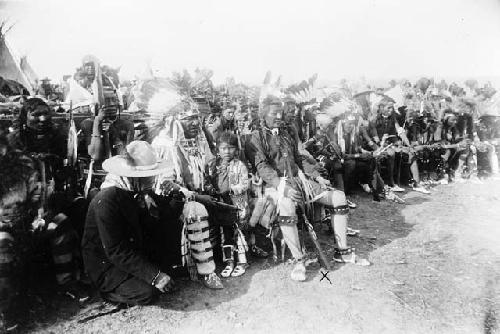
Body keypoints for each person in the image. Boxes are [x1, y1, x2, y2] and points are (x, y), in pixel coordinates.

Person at [247, 96, 353, 282]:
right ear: (264, 115)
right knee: (287, 205)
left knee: (338, 196)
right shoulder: (256, 137)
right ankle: (299, 260)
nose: (279, 116)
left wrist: (316, 176)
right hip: (275, 186)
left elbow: (299, 158)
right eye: (274, 113)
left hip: (301, 180)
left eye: (280, 112)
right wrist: (283, 188)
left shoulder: (289, 131)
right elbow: (262, 167)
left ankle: (342, 251)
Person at [81, 141, 176, 305]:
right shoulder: (106, 200)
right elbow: (115, 250)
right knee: (147, 293)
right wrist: (155, 276)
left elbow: (159, 220)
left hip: (128, 253)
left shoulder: (137, 191)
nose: (151, 180)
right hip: (106, 264)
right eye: (147, 177)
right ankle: (108, 293)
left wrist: (174, 198)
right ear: (131, 176)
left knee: (164, 270)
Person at [151, 90, 224, 289]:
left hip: (200, 193)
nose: (195, 123)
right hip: (173, 201)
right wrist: (193, 195)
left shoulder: (200, 139)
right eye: (188, 119)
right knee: (196, 211)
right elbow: (164, 184)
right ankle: (207, 270)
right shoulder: (164, 144)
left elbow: (208, 167)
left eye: (196, 118)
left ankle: (230, 255)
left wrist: (211, 185)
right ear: (174, 121)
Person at [205, 132, 250, 278]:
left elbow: (245, 184)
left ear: (236, 150)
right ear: (217, 149)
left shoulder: (239, 165)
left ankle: (242, 262)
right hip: (221, 205)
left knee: (238, 232)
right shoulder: (214, 165)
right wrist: (211, 189)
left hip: (236, 204)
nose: (227, 152)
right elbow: (208, 181)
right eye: (223, 148)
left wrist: (232, 189)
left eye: (231, 148)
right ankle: (229, 262)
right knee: (226, 234)